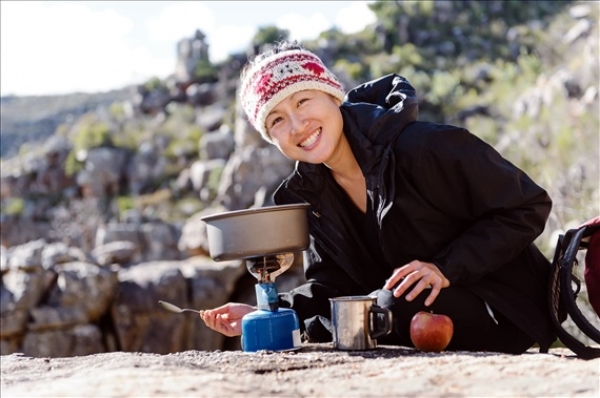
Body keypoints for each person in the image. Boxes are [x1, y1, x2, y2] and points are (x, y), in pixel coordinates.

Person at [200, 40, 556, 354]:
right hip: (407, 315)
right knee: (376, 309)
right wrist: (273, 312)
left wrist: (445, 268)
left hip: (504, 309)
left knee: (385, 306)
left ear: (332, 95)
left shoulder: (424, 147)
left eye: (303, 100)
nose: (297, 125)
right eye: (276, 120)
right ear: (270, 138)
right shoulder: (311, 197)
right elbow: (334, 286)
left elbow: (526, 205)